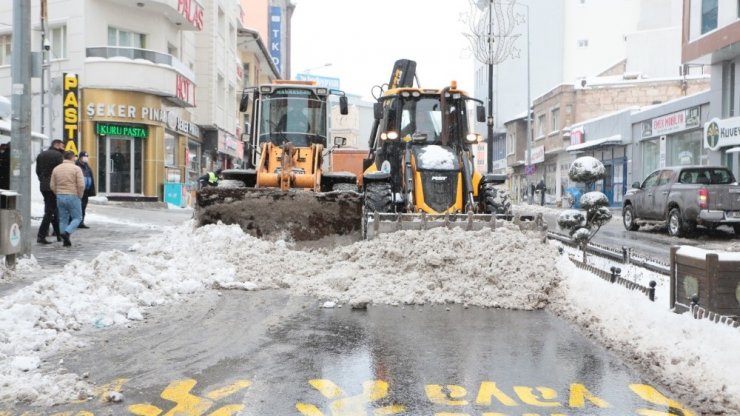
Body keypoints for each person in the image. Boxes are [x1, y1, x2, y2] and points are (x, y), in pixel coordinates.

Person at [50, 150, 84, 247]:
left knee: (63, 219)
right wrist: (80, 195)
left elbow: (52, 185)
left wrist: (58, 193)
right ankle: (67, 233)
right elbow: (81, 185)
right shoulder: (76, 169)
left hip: (60, 196)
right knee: (77, 218)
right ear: (72, 157)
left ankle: (65, 239)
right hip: (73, 195)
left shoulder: (56, 169)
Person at [35, 139, 64, 245]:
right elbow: (61, 171)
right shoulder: (58, 156)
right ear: (56, 145)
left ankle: (58, 234)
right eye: (62, 145)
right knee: (49, 211)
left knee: (53, 209)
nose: (63, 147)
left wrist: (42, 180)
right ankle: (41, 236)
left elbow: (38, 171)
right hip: (53, 186)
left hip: (43, 186)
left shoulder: (41, 154)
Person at [76, 151, 96, 229]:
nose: (86, 158)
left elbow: (90, 176)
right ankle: (76, 222)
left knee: (83, 207)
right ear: (80, 157)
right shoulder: (77, 165)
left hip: (86, 190)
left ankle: (81, 222)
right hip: (79, 189)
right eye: (84, 156)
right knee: (78, 207)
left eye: (87, 156)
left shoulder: (87, 166)